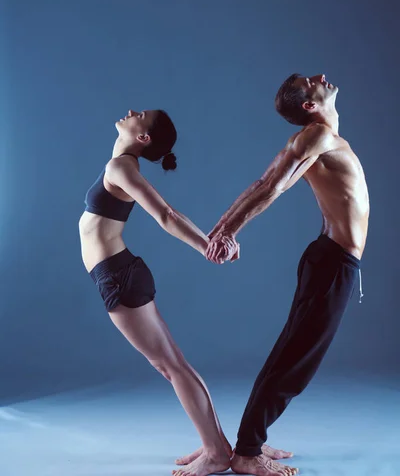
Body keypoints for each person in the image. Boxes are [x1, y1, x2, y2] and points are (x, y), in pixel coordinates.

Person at [183, 74, 369, 476]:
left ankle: (253, 439)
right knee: (295, 361)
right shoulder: (316, 136)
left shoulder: (325, 139)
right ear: (309, 105)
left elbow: (264, 183)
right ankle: (247, 452)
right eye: (311, 81)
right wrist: (226, 231)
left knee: (292, 355)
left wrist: (222, 230)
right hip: (332, 262)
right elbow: (270, 185)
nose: (322, 77)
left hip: (333, 261)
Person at [79, 108, 239, 476]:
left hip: (119, 276)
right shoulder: (120, 164)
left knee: (172, 365)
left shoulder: (122, 168)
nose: (132, 111)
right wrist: (210, 242)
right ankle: (216, 443)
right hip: (117, 274)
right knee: (171, 365)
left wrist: (207, 245)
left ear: (143, 138)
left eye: (141, 116)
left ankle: (216, 452)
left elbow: (166, 215)